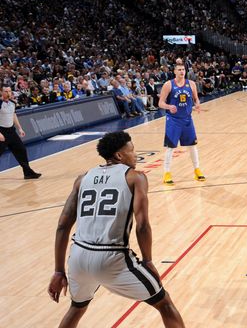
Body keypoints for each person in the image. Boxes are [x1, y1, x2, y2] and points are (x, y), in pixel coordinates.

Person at [47, 131, 185, 327]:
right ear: (119, 156)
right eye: (132, 150)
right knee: (164, 302)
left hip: (78, 256)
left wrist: (58, 271)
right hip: (111, 257)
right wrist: (147, 260)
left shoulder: (82, 179)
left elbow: (62, 226)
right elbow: (143, 225)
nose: (135, 155)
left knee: (77, 308)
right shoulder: (135, 177)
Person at [157, 63, 205, 185]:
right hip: (173, 120)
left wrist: (197, 104)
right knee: (171, 147)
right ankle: (167, 173)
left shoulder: (191, 84)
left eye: (183, 69)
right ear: (174, 71)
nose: (182, 71)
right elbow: (160, 103)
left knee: (193, 146)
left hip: (188, 119)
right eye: (179, 69)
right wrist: (168, 106)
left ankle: (197, 170)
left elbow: (196, 99)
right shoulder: (168, 85)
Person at [0, 86, 41, 179]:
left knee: (21, 150)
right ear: (1, 92)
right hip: (1, 131)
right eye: (5, 91)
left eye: (9, 91)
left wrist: (20, 128)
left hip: (11, 131)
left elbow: (13, 116)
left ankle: (28, 173)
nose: (8, 93)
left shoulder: (12, 103)